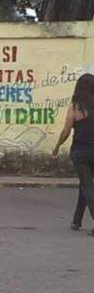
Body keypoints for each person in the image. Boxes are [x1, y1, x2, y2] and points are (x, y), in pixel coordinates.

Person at [52, 72, 94, 233]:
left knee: (87, 185)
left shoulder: (75, 107)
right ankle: (77, 221)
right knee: (85, 184)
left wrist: (57, 146)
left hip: (81, 152)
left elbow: (66, 131)